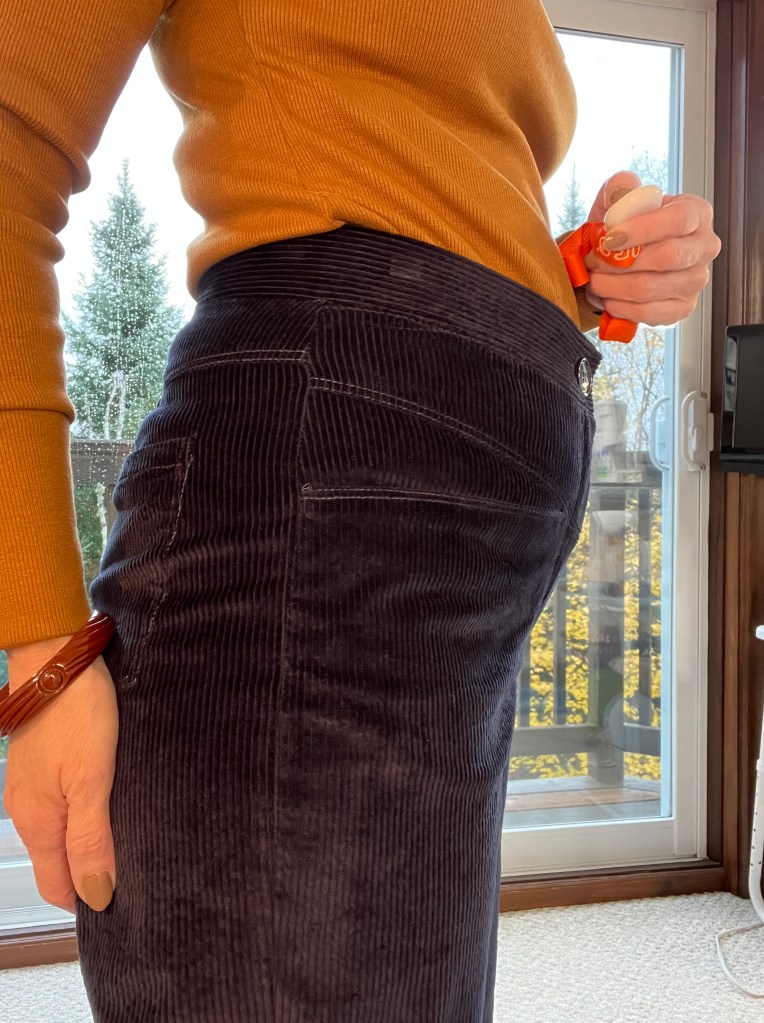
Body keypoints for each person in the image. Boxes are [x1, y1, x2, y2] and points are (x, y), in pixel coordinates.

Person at [0, 1, 720, 1020]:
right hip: (313, 519)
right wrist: (40, 648)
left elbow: (409, 189)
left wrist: (584, 268)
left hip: (428, 583)